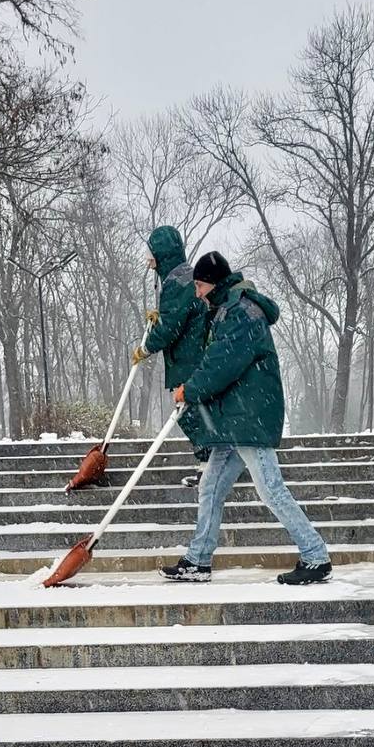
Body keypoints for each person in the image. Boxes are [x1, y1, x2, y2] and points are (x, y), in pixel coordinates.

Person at [162, 251, 332, 586]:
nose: (196, 292)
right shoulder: (228, 309)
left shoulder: (241, 312)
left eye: (199, 285)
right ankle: (198, 560)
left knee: (270, 489)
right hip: (234, 419)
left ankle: (316, 556)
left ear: (213, 283)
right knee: (210, 486)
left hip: (250, 417)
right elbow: (214, 357)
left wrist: (189, 390)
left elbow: (222, 364)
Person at [132, 227, 207, 480]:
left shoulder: (177, 281)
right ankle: (211, 466)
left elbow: (171, 328)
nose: (147, 259)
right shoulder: (183, 277)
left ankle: (210, 466)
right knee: (196, 414)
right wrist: (161, 317)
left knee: (191, 414)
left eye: (150, 253)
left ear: (162, 253)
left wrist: (145, 348)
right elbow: (175, 316)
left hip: (189, 361)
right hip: (193, 358)